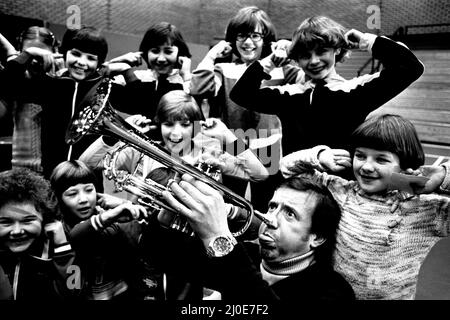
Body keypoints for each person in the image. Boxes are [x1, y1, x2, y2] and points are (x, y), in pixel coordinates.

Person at [279, 114, 450, 299]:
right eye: (360, 156)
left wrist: (444, 175)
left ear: (404, 165)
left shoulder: (426, 210)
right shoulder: (339, 191)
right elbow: (286, 168)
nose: (367, 167)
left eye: (381, 159)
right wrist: (320, 156)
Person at [229, 16, 425, 158]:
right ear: (295, 58)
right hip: (295, 188)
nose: (314, 61)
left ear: (337, 50)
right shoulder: (288, 95)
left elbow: (410, 68)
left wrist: (367, 42)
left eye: (322, 51)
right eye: (305, 55)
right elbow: (241, 94)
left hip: (339, 190)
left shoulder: (356, 90)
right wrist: (270, 62)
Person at [160, 173, 355, 300]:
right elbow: (160, 255)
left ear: (317, 237)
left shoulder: (333, 291)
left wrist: (218, 237)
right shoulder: (245, 253)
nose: (270, 220)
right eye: (272, 207)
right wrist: (166, 217)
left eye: (290, 214)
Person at [190, 6, 304, 209]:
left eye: (255, 36)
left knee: (267, 202)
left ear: (266, 39)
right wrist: (212, 54)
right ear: (232, 39)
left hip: (269, 147)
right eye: (242, 36)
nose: (248, 42)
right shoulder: (224, 69)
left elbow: (306, 79)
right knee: (231, 202)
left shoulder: (279, 69)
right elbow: (198, 88)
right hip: (234, 146)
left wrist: (287, 48)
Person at [79, 90, 268, 199]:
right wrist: (113, 138)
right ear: (159, 124)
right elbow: (86, 166)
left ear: (196, 126)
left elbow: (260, 174)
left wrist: (228, 136)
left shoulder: (209, 153)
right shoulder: (139, 152)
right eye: (168, 124)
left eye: (185, 125)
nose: (176, 133)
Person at [1, 26, 110, 178]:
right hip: (47, 176)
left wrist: (123, 71)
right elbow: (6, 83)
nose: (82, 62)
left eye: (90, 58)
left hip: (87, 180)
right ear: (65, 54)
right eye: (76, 54)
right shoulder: (48, 85)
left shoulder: (102, 87)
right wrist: (27, 54)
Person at [50, 160, 153, 300]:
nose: (83, 199)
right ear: (59, 199)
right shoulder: (59, 231)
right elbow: (78, 235)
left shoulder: (108, 218)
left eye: (88, 190)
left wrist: (124, 204)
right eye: (72, 194)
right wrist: (111, 214)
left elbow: (142, 245)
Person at [0, 168, 75, 300]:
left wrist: (63, 249)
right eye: (6, 222)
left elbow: (76, 288)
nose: (17, 231)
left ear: (45, 218)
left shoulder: (61, 244)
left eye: (28, 220)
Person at [106, 21, 193, 119]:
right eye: (155, 51)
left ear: (180, 54)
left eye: (168, 52)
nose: (161, 59)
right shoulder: (133, 79)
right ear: (145, 52)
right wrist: (115, 62)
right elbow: (92, 87)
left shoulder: (187, 82)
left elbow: (195, 121)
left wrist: (186, 76)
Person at [6, 26, 61, 173]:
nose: (35, 60)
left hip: (53, 168)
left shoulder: (61, 79)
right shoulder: (16, 79)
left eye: (41, 54)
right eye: (30, 53)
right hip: (20, 167)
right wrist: (25, 55)